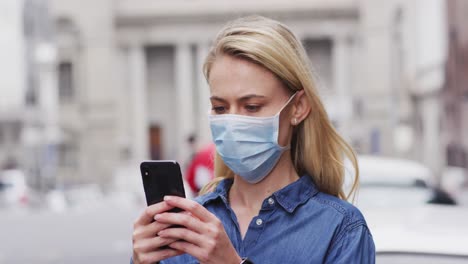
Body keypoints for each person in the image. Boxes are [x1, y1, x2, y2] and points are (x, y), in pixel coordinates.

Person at [132, 15, 375, 264]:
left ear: (298, 107)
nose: (233, 122)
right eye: (220, 108)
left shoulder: (341, 229)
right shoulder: (185, 228)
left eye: (251, 106)